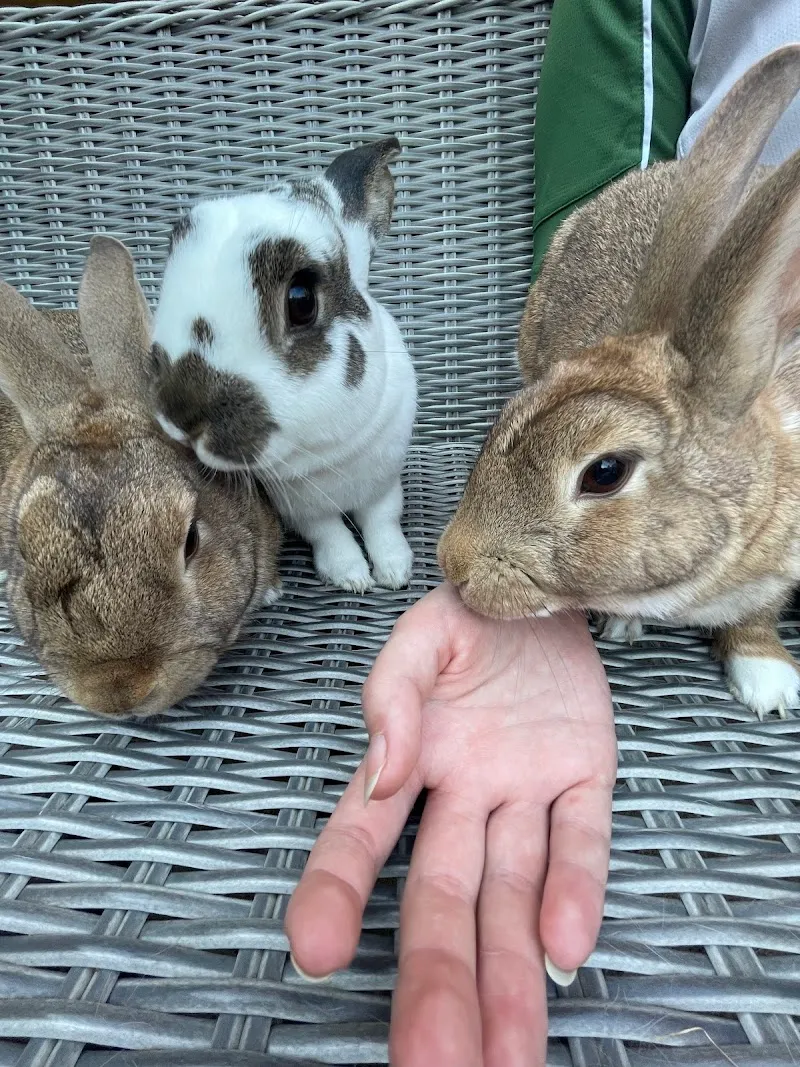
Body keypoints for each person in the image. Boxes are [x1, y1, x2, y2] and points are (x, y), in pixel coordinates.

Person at [287, 3, 800, 1064]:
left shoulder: (746, 479)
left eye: (605, 474)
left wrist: (742, 621)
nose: (453, 558)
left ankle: (743, 624)